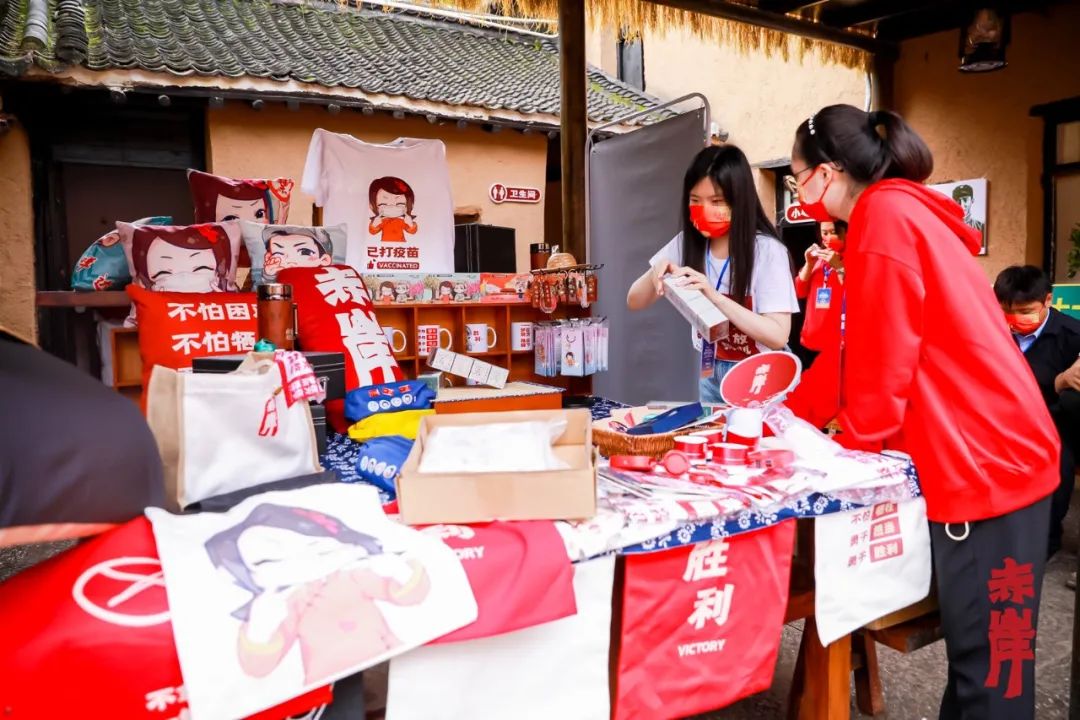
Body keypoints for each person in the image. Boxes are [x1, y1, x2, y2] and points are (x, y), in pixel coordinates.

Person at [789, 104, 1058, 719]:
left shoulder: (883, 215)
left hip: (987, 465)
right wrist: (791, 414)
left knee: (996, 670)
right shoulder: (903, 210)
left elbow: (884, 359)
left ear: (827, 174)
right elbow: (859, 348)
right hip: (1004, 451)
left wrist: (851, 449)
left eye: (798, 178)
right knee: (991, 662)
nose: (799, 192)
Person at [627, 145, 798, 403]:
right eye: (695, 200)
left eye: (716, 201)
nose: (704, 209)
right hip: (710, 368)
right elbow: (634, 300)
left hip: (759, 373)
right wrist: (656, 272)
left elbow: (777, 336)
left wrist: (715, 297)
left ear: (739, 200)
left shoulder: (767, 251)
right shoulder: (687, 243)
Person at [994, 265, 1080, 560]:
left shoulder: (1072, 336)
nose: (1016, 320)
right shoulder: (993, 332)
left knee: (1057, 461)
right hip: (1000, 420)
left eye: (1025, 310)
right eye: (1007, 311)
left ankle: (1043, 540)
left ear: (1047, 301)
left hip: (1056, 426)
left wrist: (1058, 386)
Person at [795, 221, 846, 354]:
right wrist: (809, 265)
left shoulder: (855, 257)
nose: (828, 238)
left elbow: (857, 296)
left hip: (839, 343)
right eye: (824, 233)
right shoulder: (819, 258)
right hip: (811, 340)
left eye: (833, 232)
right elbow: (799, 292)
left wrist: (839, 267)